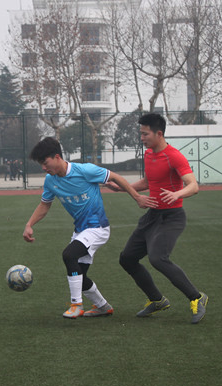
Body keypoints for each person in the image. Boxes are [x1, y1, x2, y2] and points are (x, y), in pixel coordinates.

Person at [23, 137, 150, 319]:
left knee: (69, 255)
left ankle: (76, 304)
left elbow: (115, 177)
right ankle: (103, 306)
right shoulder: (50, 181)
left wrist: (137, 197)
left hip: (98, 227)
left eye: (45, 162)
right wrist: (29, 224)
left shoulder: (84, 170)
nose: (43, 168)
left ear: (57, 157)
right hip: (81, 230)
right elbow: (45, 205)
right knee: (79, 275)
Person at [107, 113, 208, 324]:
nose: (142, 138)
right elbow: (147, 182)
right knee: (127, 258)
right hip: (152, 216)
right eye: (141, 133)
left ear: (159, 133)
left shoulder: (174, 156)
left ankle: (196, 297)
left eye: (145, 134)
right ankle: (157, 300)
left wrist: (177, 194)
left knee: (158, 258)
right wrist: (122, 188)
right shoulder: (149, 155)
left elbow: (193, 185)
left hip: (172, 217)